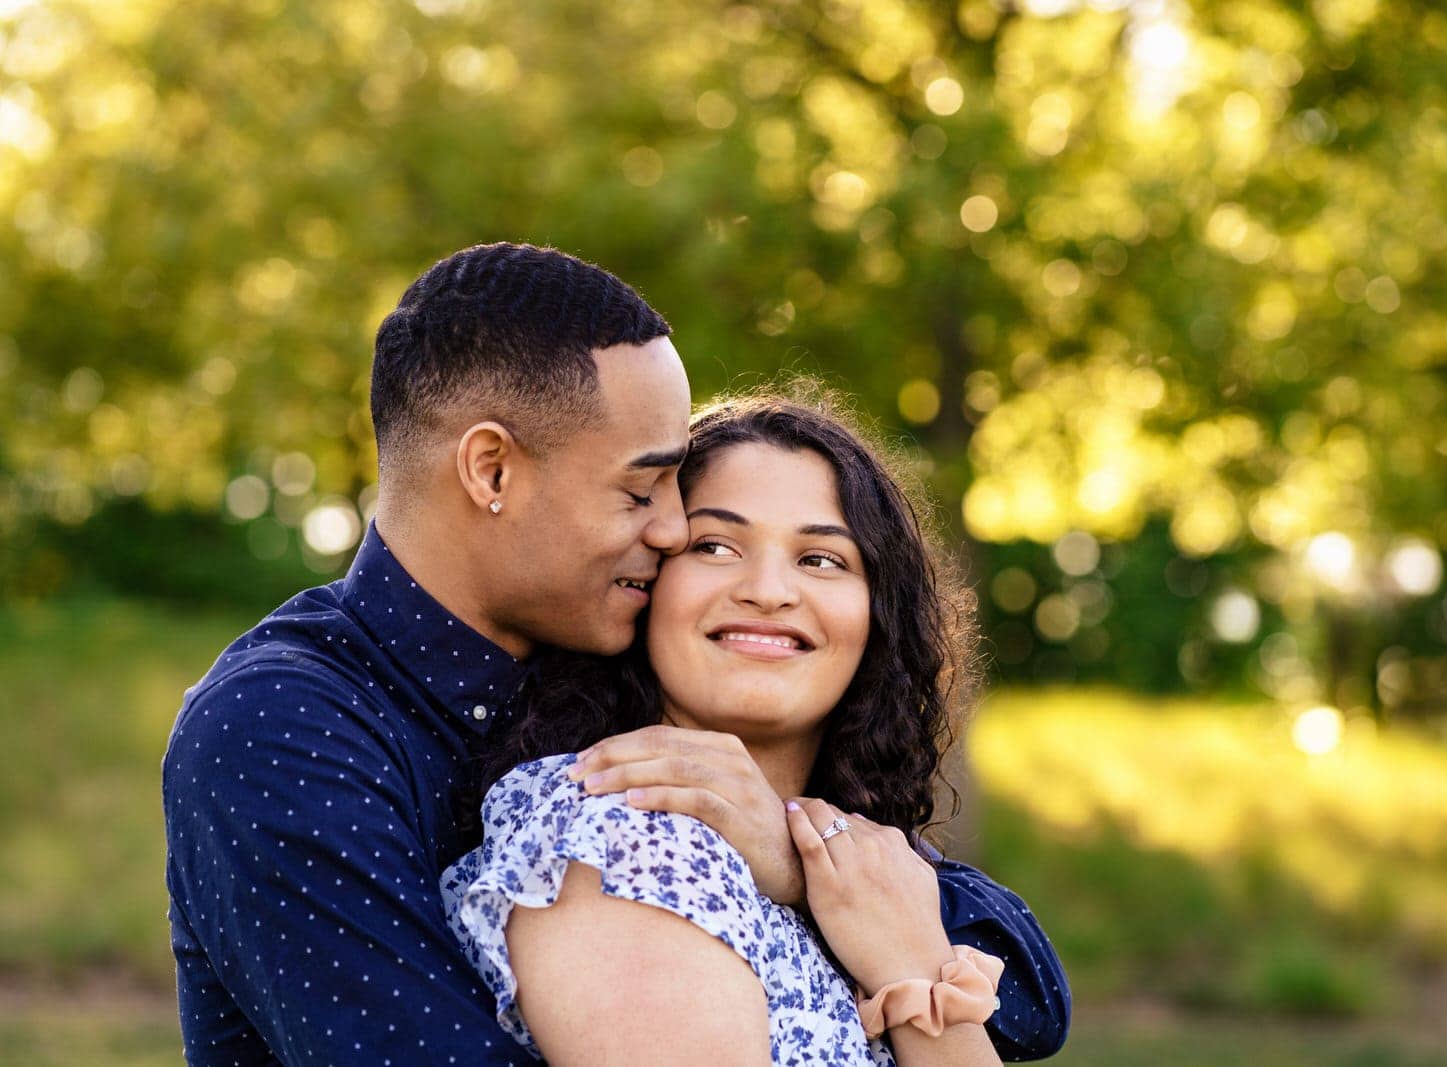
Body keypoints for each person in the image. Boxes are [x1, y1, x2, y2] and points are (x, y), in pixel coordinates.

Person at [163, 243, 1069, 1064]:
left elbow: (1031, 998)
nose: (672, 531)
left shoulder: (592, 676)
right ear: (492, 471)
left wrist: (801, 868)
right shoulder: (282, 730)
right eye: (641, 491)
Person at [443, 392, 1068, 1065]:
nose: (768, 590)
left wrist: (906, 956)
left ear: (878, 615)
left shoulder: (874, 876)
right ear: (643, 580)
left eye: (821, 558)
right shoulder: (620, 838)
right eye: (714, 545)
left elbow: (1042, 1005)